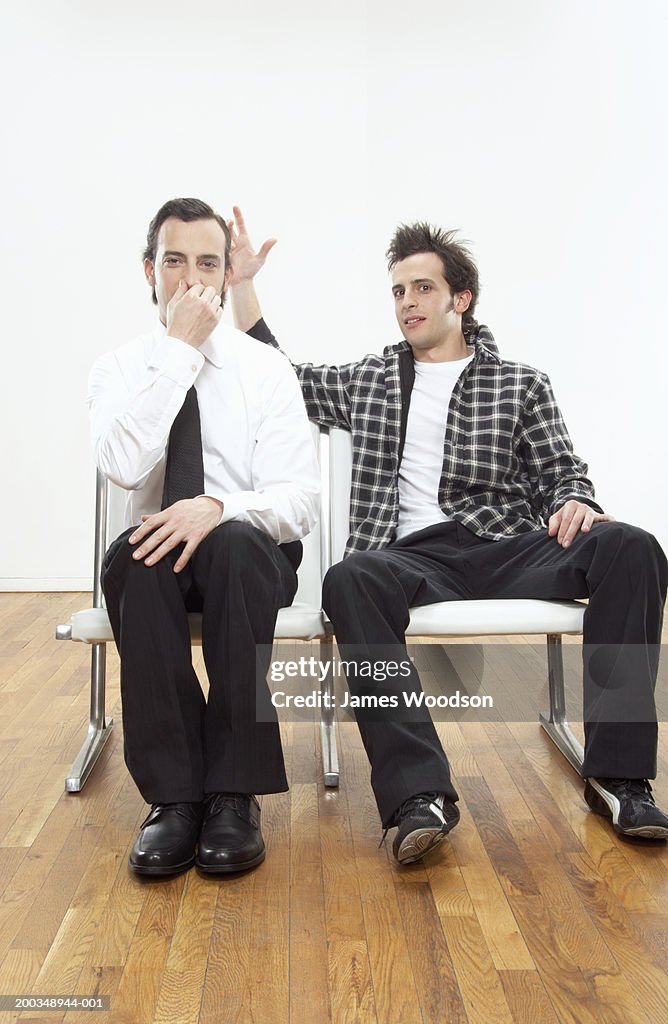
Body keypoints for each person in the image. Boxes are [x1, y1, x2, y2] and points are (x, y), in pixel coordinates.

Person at [228, 207, 668, 864]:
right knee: (348, 577)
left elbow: (559, 469)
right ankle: (418, 795)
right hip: (410, 556)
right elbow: (274, 373)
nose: (407, 303)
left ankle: (620, 779)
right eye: (399, 291)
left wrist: (574, 498)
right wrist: (242, 284)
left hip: (508, 547)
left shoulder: (521, 383)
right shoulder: (368, 379)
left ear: (461, 298)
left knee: (632, 546)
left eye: (423, 289)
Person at [88, 198, 320, 876]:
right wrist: (178, 353)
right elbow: (125, 468)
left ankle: (232, 791)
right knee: (137, 561)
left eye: (208, 263)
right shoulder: (118, 368)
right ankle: (176, 799)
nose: (192, 278)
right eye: (175, 261)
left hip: (246, 552)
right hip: (159, 551)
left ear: (225, 276)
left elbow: (297, 499)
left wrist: (217, 506)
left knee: (238, 542)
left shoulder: (263, 367)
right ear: (148, 271)